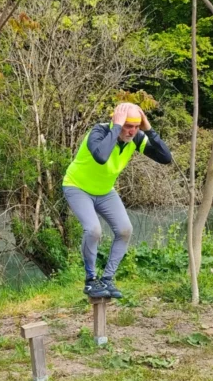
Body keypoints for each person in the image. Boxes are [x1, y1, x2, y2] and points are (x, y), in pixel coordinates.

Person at [63, 102, 173, 299]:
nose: (132, 132)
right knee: (93, 230)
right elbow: (101, 157)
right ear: (117, 121)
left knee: (125, 230)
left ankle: (107, 279)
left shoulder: (137, 138)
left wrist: (148, 129)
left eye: (136, 126)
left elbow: (165, 157)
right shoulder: (98, 132)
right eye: (128, 126)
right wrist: (116, 127)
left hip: (104, 191)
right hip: (77, 187)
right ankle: (90, 281)